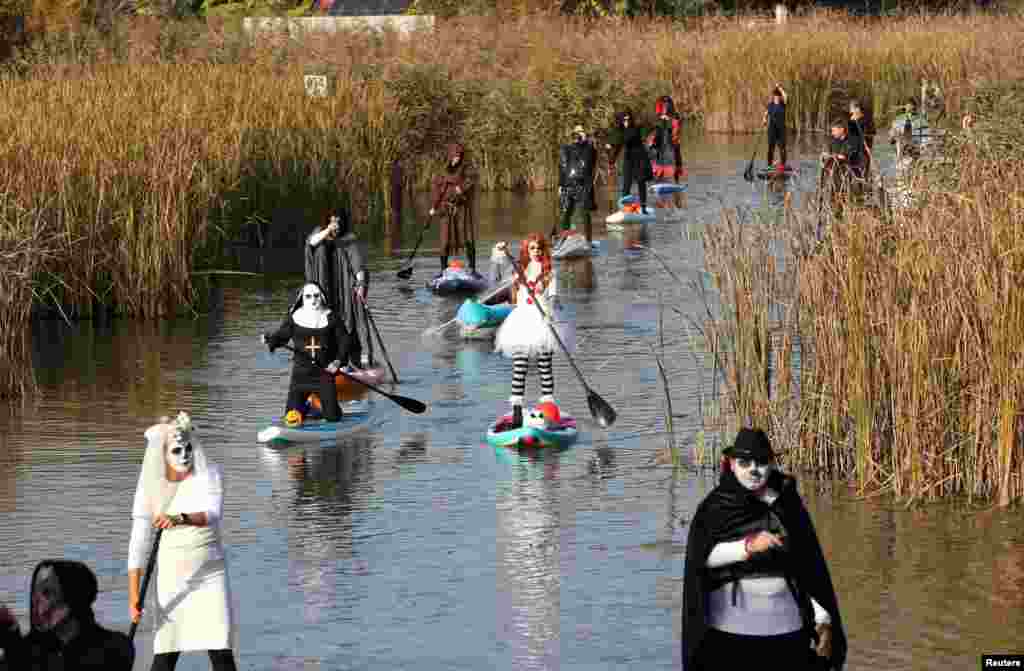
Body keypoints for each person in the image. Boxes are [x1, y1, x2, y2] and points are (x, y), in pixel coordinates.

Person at [682, 428, 847, 671]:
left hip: (787, 630)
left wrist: (823, 618)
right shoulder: (715, 507)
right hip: (731, 632)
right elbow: (701, 560)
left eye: (761, 461)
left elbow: (809, 565)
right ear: (730, 463)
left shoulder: (788, 503)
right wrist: (747, 546)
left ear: (771, 462)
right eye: (745, 462)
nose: (753, 469)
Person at [128, 412, 238, 671]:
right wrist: (134, 596)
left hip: (211, 573)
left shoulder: (209, 474)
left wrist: (180, 518)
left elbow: (212, 513)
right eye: (177, 450)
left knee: (221, 650)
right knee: (166, 653)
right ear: (163, 453)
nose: (185, 455)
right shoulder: (150, 488)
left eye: (189, 447)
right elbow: (138, 544)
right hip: (172, 578)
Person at [494, 234, 573, 429]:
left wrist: (551, 313)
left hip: (543, 318)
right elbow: (497, 273)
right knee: (519, 365)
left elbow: (554, 295)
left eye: (538, 248)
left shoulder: (549, 272)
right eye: (532, 248)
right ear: (526, 251)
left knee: (544, 365)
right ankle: (517, 410)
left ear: (543, 250)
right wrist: (500, 252)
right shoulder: (519, 270)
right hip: (522, 321)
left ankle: (548, 407)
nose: (535, 252)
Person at [0, 560, 134, 670]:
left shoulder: (115, 648)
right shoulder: (27, 651)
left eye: (47, 593)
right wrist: (11, 641)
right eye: (34, 593)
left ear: (74, 598)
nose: (35, 602)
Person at [261, 282, 359, 424]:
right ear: (302, 298)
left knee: (332, 417)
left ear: (322, 297)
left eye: (316, 296)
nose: (313, 300)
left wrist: (337, 361)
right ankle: (307, 408)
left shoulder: (332, 317)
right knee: (291, 417)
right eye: (308, 296)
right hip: (300, 376)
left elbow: (345, 342)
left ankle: (329, 410)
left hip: (324, 375)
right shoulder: (294, 317)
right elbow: (282, 336)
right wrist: (271, 339)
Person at [305, 210, 370, 368]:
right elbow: (311, 243)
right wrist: (328, 230)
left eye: (339, 222)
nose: (336, 225)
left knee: (349, 321)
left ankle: (356, 359)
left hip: (345, 290)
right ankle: (325, 360)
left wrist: (360, 284)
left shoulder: (349, 239)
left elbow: (357, 264)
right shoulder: (319, 234)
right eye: (333, 221)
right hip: (324, 289)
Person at [428, 142, 478, 275]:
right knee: (444, 241)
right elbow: (436, 189)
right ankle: (443, 270)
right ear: (450, 155)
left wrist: (461, 188)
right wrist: (434, 206)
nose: (457, 158)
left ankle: (472, 268)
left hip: (462, 209)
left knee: (467, 238)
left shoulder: (467, 168)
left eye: (459, 156)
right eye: (455, 156)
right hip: (446, 209)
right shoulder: (442, 170)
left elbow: (472, 179)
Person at [557, 124, 598, 245]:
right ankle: (564, 240)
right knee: (566, 212)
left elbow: (591, 158)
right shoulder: (566, 148)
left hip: (584, 185)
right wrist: (560, 185)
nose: (578, 135)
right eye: (577, 132)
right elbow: (562, 167)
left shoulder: (589, 148)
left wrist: (585, 141)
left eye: (581, 132)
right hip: (568, 185)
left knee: (585, 212)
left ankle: (588, 241)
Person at [606, 109, 653, 211]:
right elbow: (618, 147)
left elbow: (627, 138)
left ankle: (643, 207)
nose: (626, 122)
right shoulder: (620, 130)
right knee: (626, 184)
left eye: (628, 120)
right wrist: (611, 162)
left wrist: (613, 142)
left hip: (640, 157)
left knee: (641, 182)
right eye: (624, 120)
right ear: (621, 120)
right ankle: (625, 207)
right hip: (628, 159)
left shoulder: (635, 128)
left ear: (631, 119)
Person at [821, 118, 865, 198]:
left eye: (834, 131)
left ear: (841, 129)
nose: (832, 133)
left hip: (850, 174)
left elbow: (844, 157)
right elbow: (829, 154)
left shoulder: (852, 140)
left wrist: (832, 156)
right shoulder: (833, 141)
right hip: (835, 174)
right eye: (832, 131)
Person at [648, 95, 684, 183]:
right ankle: (658, 181)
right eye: (663, 106)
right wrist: (651, 141)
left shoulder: (675, 117)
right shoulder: (657, 117)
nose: (665, 108)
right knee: (657, 161)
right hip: (659, 144)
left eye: (667, 105)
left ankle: (676, 182)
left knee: (673, 161)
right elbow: (653, 131)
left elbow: (676, 129)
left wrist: (669, 120)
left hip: (670, 142)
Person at [847, 100, 876, 175]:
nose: (851, 110)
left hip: (865, 147)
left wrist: (865, 135)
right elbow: (851, 134)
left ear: (858, 109)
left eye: (852, 108)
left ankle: (865, 179)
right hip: (855, 147)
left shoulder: (867, 120)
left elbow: (872, 132)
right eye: (851, 108)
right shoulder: (851, 120)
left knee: (865, 167)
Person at [763, 84, 788, 167]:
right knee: (770, 148)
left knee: (782, 148)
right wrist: (764, 119)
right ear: (773, 96)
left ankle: (783, 165)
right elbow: (766, 113)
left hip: (781, 129)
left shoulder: (783, 104)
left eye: (778, 96)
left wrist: (780, 88)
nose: (777, 97)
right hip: (772, 129)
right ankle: (769, 165)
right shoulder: (770, 105)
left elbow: (785, 96)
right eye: (775, 96)